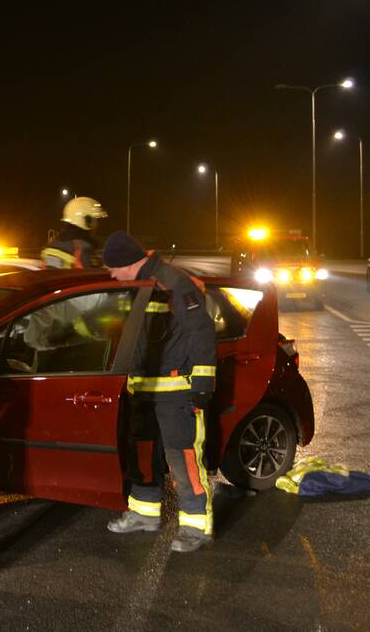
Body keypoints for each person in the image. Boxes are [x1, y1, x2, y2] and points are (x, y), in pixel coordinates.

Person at [101, 231, 217, 553]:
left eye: (113, 267)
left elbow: (201, 332)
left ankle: (195, 526)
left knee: (183, 459)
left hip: (176, 392)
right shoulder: (136, 285)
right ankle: (144, 513)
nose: (111, 274)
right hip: (143, 390)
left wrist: (203, 383)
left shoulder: (173, 283)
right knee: (143, 457)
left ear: (128, 262)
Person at [40, 196, 107, 269]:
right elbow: (98, 276)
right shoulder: (84, 249)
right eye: (95, 220)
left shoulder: (51, 247)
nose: (97, 224)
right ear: (87, 221)